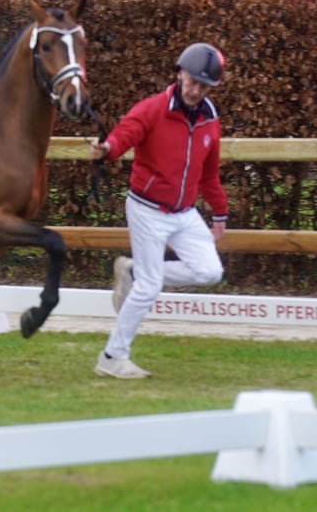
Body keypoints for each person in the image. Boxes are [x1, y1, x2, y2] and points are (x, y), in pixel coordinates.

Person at [88, 42, 228, 379]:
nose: (195, 91)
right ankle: (112, 357)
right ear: (179, 74)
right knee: (150, 288)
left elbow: (209, 174)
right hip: (147, 209)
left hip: (184, 214)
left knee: (210, 272)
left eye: (203, 86)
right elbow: (126, 134)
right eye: (191, 81)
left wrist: (220, 213)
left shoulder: (210, 121)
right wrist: (107, 149)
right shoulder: (153, 109)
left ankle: (135, 273)